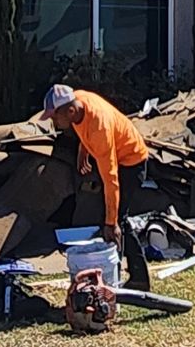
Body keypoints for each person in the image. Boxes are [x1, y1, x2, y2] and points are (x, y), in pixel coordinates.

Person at [43, 84, 151, 289]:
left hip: (132, 161)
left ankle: (135, 279)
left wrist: (111, 223)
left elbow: (111, 179)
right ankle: (122, 275)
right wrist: (84, 149)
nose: (54, 122)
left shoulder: (99, 128)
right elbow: (84, 126)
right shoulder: (78, 101)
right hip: (116, 155)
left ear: (70, 111)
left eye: (55, 117)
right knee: (113, 220)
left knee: (119, 221)